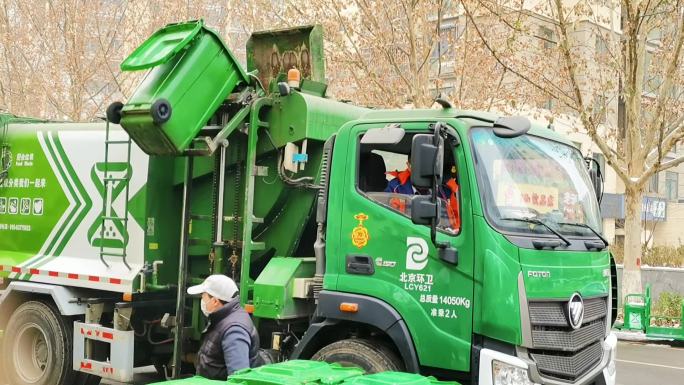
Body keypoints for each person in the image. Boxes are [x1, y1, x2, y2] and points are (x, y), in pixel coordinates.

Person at [187, 275, 260, 380]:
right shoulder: (222, 319)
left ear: (215, 301)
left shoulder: (234, 331)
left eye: (203, 296)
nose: (202, 300)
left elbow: (238, 379)